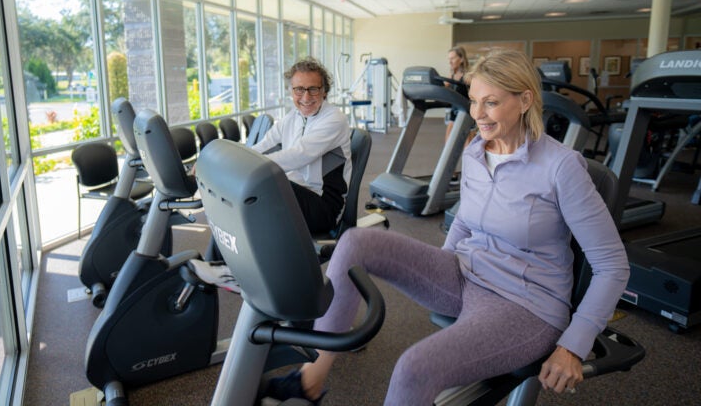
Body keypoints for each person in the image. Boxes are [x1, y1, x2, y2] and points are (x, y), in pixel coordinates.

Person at [263, 49, 629, 405]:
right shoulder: (475, 152)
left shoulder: (561, 167)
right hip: (465, 274)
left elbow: (612, 265)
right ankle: (313, 375)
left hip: (525, 305)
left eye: (491, 103)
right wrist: (436, 267)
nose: (478, 114)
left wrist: (573, 344)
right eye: (473, 101)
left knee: (414, 368)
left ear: (525, 100)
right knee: (357, 242)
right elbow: (465, 221)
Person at [250, 56, 352, 233]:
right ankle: (214, 260)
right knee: (244, 206)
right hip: (297, 190)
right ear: (291, 91)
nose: (306, 97)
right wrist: (231, 161)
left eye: (313, 89)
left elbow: (299, 155)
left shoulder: (334, 119)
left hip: (324, 204)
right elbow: (264, 145)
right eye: (299, 89)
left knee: (264, 186)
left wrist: (250, 168)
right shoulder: (292, 116)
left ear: (324, 91)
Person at [444, 46, 470, 144]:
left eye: (453, 58)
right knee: (448, 142)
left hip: (466, 111)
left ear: (462, 59)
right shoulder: (451, 75)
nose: (450, 61)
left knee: (467, 143)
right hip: (454, 110)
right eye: (449, 59)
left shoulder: (468, 76)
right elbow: (444, 88)